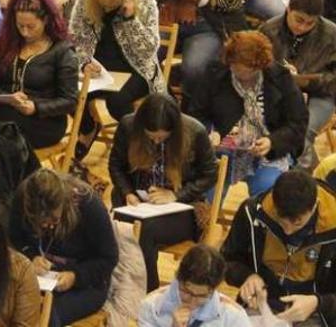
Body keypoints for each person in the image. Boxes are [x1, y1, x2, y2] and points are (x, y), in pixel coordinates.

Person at [109, 93, 219, 291]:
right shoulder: (128, 125)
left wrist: (176, 195)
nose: (157, 140)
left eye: (162, 136)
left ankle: (146, 289)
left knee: (145, 231)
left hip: (183, 207)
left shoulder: (194, 131)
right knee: (118, 226)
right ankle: (123, 282)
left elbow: (210, 174)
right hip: (138, 201)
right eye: (151, 136)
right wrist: (127, 192)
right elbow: (116, 165)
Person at [187, 31, 307, 196]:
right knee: (205, 192)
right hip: (223, 152)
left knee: (266, 192)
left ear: (260, 66)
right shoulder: (215, 73)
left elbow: (297, 125)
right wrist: (209, 131)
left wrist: (272, 141)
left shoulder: (281, 79)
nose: (241, 75)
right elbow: (196, 113)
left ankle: (255, 220)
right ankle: (206, 219)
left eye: (248, 71)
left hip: (268, 156)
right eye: (235, 68)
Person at [69, 0, 164, 160]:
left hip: (136, 68)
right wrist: (84, 62)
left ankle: (137, 143)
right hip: (99, 68)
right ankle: (88, 128)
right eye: (102, 3)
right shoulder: (85, 0)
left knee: (117, 102)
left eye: (111, 3)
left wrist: (130, 20)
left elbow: (148, 51)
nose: (106, 7)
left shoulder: (146, 3)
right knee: (65, 90)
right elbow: (76, 38)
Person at [222, 170, 336, 325]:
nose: (288, 231)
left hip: (315, 312)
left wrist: (317, 302)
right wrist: (246, 276)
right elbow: (226, 260)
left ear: (314, 206)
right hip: (261, 303)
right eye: (281, 222)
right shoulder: (253, 212)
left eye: (297, 223)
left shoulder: (332, 224)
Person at [9, 169, 118, 327]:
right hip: (41, 277)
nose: (46, 225)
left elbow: (109, 258)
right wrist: (31, 256)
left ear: (63, 203)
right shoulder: (23, 197)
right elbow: (15, 237)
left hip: (87, 282)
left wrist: (75, 277)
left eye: (53, 219)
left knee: (46, 314)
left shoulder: (90, 206)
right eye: (38, 221)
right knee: (6, 305)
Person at [0, 0, 78, 149]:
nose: (25, 32)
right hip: (5, 111)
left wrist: (35, 107)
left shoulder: (62, 51)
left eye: (31, 26)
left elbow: (70, 101)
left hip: (43, 122)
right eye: (20, 26)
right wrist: (8, 97)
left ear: (46, 20)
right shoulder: (8, 43)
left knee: (1, 137)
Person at [260, 0, 336, 171]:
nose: (302, 27)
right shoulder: (269, 30)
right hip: (277, 94)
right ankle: (296, 175)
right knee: (277, 130)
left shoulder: (332, 34)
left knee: (304, 131)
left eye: (310, 23)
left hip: (320, 94)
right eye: (298, 20)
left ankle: (295, 181)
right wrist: (284, 79)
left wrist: (303, 80)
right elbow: (256, 68)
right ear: (288, 9)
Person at [139, 244, 252, 327]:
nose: (192, 302)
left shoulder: (233, 316)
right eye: (186, 292)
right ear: (178, 278)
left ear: (213, 290)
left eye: (201, 296)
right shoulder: (151, 307)